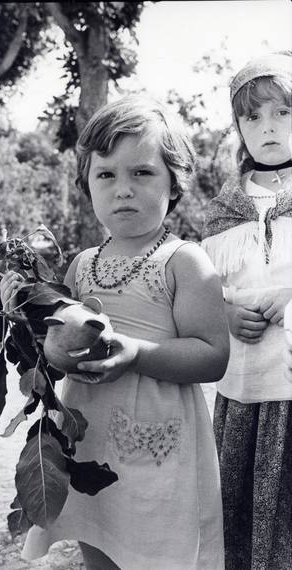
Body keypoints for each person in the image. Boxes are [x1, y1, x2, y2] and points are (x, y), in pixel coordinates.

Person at [1, 95, 230, 570]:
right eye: (106, 175)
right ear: (87, 184)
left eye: (141, 173)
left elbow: (213, 355)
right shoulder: (83, 264)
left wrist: (136, 353)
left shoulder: (184, 261)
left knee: (158, 551)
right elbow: (52, 345)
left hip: (158, 446)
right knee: (98, 537)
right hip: (89, 441)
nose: (122, 189)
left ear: (175, 181)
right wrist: (16, 304)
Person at [201, 53, 292, 570]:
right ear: (238, 126)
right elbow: (209, 290)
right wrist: (225, 317)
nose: (268, 127)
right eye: (252, 117)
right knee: (240, 514)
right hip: (245, 391)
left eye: (282, 112)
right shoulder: (225, 208)